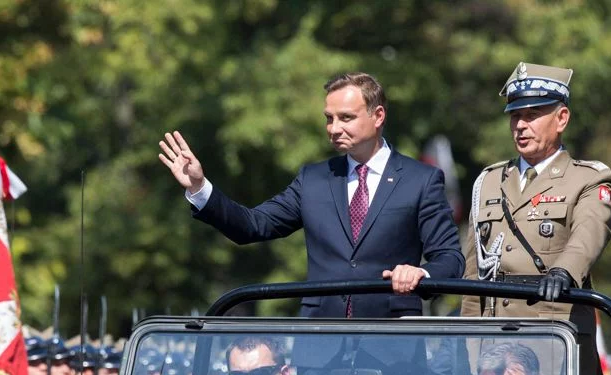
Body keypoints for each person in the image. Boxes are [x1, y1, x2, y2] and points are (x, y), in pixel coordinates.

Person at [159, 72, 464, 318]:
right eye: (328, 118)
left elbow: (450, 258)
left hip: (393, 346)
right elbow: (253, 225)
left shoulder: (420, 180)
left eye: (345, 117)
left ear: (378, 115)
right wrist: (199, 189)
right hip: (321, 351)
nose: (333, 128)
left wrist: (419, 273)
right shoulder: (313, 180)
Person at [461, 62, 611, 375]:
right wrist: (470, 363)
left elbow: (590, 233)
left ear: (561, 118)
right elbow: (474, 278)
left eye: (533, 114)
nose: (521, 125)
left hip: (554, 359)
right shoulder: (489, 181)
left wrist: (564, 272)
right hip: (494, 365)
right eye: (515, 116)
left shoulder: (587, 179)